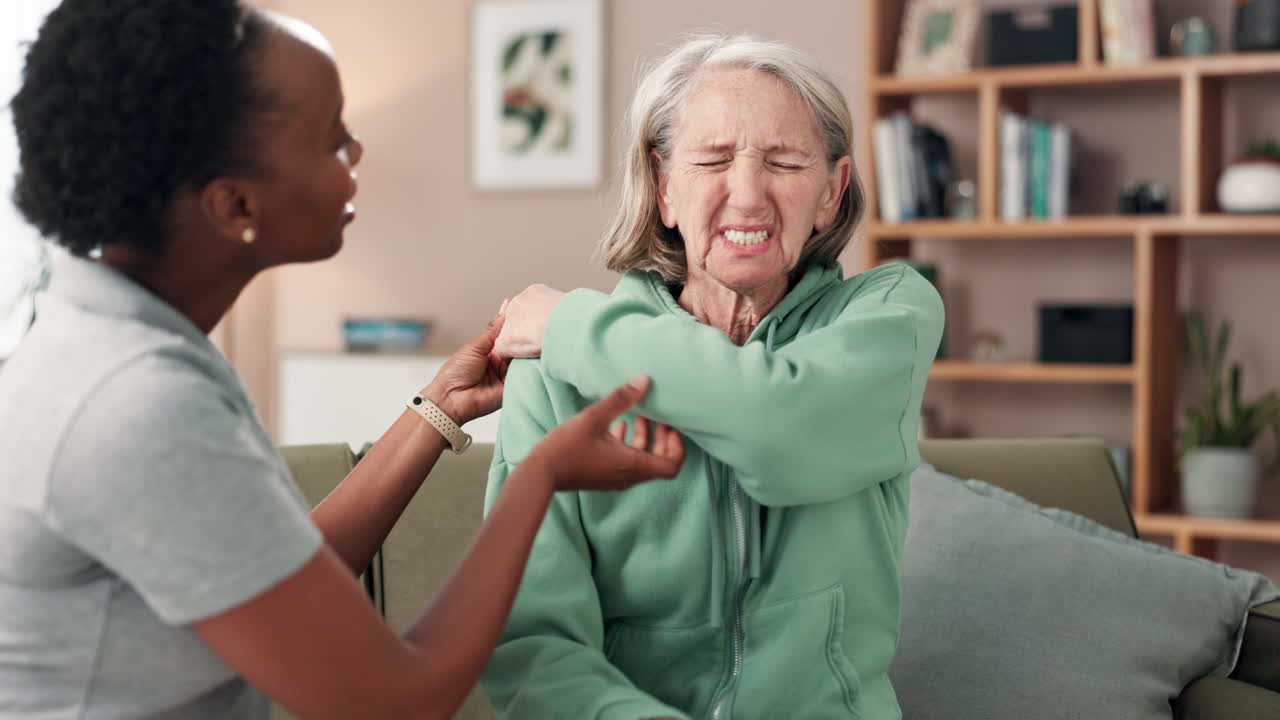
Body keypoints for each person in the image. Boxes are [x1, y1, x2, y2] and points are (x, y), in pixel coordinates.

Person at [0, 3, 685, 719]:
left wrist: (437, 411)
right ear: (235, 205)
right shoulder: (134, 404)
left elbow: (285, 575)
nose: (356, 152)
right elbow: (397, 698)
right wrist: (538, 477)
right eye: (332, 139)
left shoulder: (117, 342)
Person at [482, 34, 945, 719]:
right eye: (714, 160)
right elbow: (533, 647)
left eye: (785, 162)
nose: (749, 194)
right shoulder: (555, 380)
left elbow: (778, 426)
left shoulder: (890, 315)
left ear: (831, 192)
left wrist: (568, 326)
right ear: (664, 186)